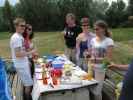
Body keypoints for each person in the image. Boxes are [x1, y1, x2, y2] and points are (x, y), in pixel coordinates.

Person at [10, 18, 36, 100]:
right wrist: (31, 53)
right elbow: (17, 54)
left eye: (24, 26)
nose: (23, 27)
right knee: (28, 85)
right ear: (16, 26)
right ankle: (28, 98)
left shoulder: (19, 36)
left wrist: (27, 60)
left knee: (28, 84)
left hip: (23, 64)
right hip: (21, 65)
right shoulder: (16, 38)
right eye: (21, 25)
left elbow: (22, 50)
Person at [90, 20, 114, 100]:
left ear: (103, 29)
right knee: (92, 88)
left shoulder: (109, 41)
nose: (95, 31)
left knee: (97, 91)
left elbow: (108, 59)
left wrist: (95, 60)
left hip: (101, 69)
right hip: (91, 67)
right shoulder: (93, 40)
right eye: (94, 29)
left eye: (97, 29)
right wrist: (88, 55)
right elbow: (91, 53)